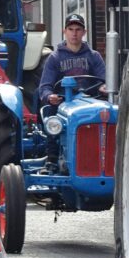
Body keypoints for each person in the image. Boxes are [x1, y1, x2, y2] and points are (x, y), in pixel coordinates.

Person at [38, 14, 106, 171]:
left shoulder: (93, 56)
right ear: (64, 31)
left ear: (84, 32)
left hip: (90, 101)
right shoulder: (54, 58)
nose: (74, 33)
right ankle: (53, 157)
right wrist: (50, 96)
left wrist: (104, 87)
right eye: (71, 29)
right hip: (63, 102)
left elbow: (104, 81)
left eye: (78, 29)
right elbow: (45, 86)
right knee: (53, 120)